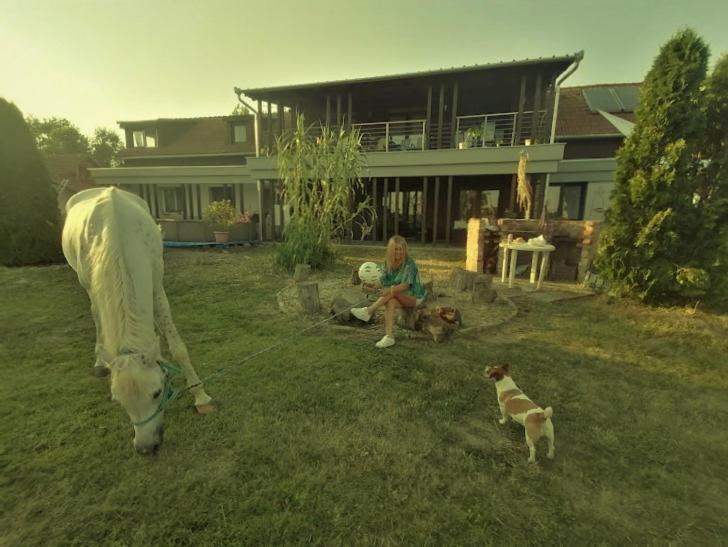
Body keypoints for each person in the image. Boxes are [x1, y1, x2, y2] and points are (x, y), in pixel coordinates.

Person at [351, 235, 427, 348]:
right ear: (391, 250)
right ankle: (389, 337)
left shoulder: (409, 264)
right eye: (396, 249)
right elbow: (382, 280)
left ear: (405, 249)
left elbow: (405, 286)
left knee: (393, 292)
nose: (399, 252)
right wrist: (373, 285)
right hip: (398, 296)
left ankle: (368, 311)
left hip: (415, 297)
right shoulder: (388, 262)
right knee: (390, 302)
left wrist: (389, 290)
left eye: (401, 249)